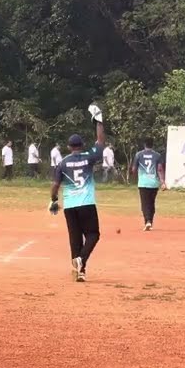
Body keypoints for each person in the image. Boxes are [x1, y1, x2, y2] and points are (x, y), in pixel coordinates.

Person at [49, 105, 105, 282]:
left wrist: (54, 200)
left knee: (75, 239)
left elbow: (55, 185)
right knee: (93, 234)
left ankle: (79, 272)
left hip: (70, 206)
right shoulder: (88, 156)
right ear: (81, 145)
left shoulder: (63, 163)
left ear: (68, 146)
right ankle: (81, 261)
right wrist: (98, 121)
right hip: (86, 203)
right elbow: (101, 142)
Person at [131, 139, 166, 231]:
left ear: (144, 144)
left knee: (144, 203)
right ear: (152, 145)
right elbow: (160, 169)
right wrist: (162, 182)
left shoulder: (138, 155)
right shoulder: (157, 155)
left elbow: (134, 169)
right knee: (151, 202)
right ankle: (150, 221)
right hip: (154, 183)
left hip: (143, 183)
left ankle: (147, 221)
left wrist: (134, 176)